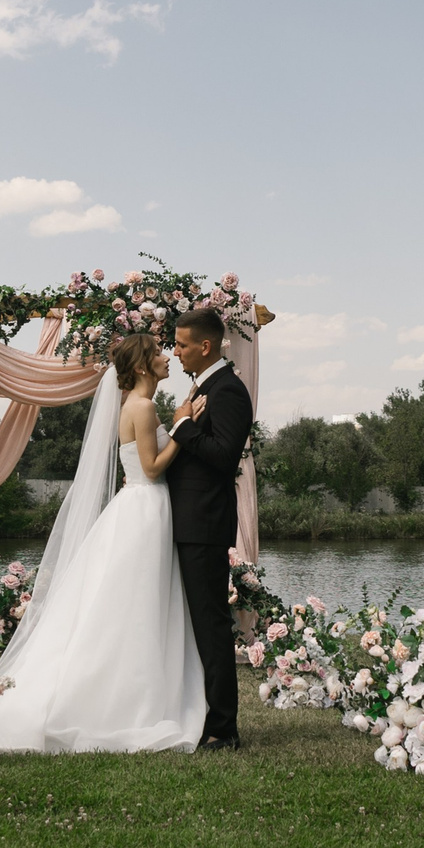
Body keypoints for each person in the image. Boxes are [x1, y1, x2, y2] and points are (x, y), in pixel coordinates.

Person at [0, 333, 206, 753]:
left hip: (138, 508)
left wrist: (180, 416)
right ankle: (126, 699)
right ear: (143, 366)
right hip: (146, 506)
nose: (168, 356)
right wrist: (185, 428)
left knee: (129, 601)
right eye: (159, 352)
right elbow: (151, 468)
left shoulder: (138, 405)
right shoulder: (143, 406)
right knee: (138, 602)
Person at [166, 306, 251, 750]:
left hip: (204, 525)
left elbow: (222, 457)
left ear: (204, 346)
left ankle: (223, 728)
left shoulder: (229, 391)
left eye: (180, 345)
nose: (175, 352)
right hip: (185, 521)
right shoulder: (203, 387)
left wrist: (181, 426)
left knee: (211, 624)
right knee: (190, 623)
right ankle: (194, 714)